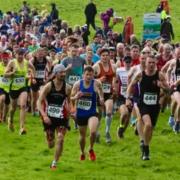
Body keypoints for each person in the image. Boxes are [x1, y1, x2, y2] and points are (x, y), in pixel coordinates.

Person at [126, 55, 170, 160]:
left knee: (151, 130)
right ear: (145, 63)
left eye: (153, 63)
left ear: (156, 64)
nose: (151, 65)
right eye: (149, 63)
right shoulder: (140, 75)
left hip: (155, 106)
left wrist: (162, 86)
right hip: (143, 104)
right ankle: (146, 150)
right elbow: (131, 86)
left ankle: (145, 145)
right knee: (148, 125)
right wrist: (128, 98)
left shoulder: (160, 75)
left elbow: (168, 91)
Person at [37, 64, 71, 169]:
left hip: (62, 118)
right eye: (61, 72)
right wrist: (44, 115)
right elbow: (39, 102)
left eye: (64, 72)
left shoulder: (68, 87)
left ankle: (54, 163)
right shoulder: (49, 86)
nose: (63, 74)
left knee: (60, 138)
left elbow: (69, 103)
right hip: (49, 118)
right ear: (55, 74)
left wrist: (71, 113)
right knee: (51, 144)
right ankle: (50, 138)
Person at [71, 66, 104, 160]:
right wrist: (76, 97)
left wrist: (101, 98)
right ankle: (82, 152)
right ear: (83, 75)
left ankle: (91, 148)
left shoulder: (96, 83)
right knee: (82, 136)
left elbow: (101, 92)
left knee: (93, 132)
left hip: (92, 112)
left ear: (93, 75)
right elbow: (71, 98)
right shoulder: (77, 84)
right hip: (81, 113)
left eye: (91, 74)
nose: (89, 77)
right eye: (87, 75)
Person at [4, 48, 35, 134]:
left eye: (22, 55)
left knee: (23, 105)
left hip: (23, 87)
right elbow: (5, 74)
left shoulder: (26, 62)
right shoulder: (12, 62)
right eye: (19, 55)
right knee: (13, 108)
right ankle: (10, 119)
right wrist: (12, 73)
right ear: (15, 55)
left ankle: (22, 128)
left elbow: (33, 68)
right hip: (13, 88)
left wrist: (33, 78)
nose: (20, 56)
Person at [93, 48, 116, 143]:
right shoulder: (96, 67)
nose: (105, 57)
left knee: (109, 112)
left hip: (109, 93)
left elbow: (114, 77)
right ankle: (97, 133)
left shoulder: (113, 66)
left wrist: (114, 86)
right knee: (98, 115)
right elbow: (89, 80)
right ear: (100, 56)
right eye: (103, 55)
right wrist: (99, 80)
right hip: (98, 94)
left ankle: (107, 132)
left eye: (107, 55)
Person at [115, 56, 132, 138]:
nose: (127, 64)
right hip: (121, 96)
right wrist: (115, 90)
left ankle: (121, 132)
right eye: (126, 62)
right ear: (123, 62)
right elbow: (116, 81)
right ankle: (121, 126)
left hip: (131, 96)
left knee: (128, 118)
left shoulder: (134, 70)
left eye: (129, 62)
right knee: (124, 113)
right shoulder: (119, 70)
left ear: (131, 62)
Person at [167, 47, 180, 133]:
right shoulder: (173, 63)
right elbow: (167, 71)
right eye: (178, 54)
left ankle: (172, 117)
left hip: (177, 84)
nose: (179, 56)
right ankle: (177, 122)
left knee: (175, 103)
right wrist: (168, 81)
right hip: (176, 88)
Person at [0, 51, 11, 122]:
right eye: (4, 58)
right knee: (2, 99)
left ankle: (4, 117)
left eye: (6, 58)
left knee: (7, 104)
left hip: (9, 87)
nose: (5, 60)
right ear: (1, 58)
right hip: (1, 86)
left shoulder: (11, 66)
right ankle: (0, 114)